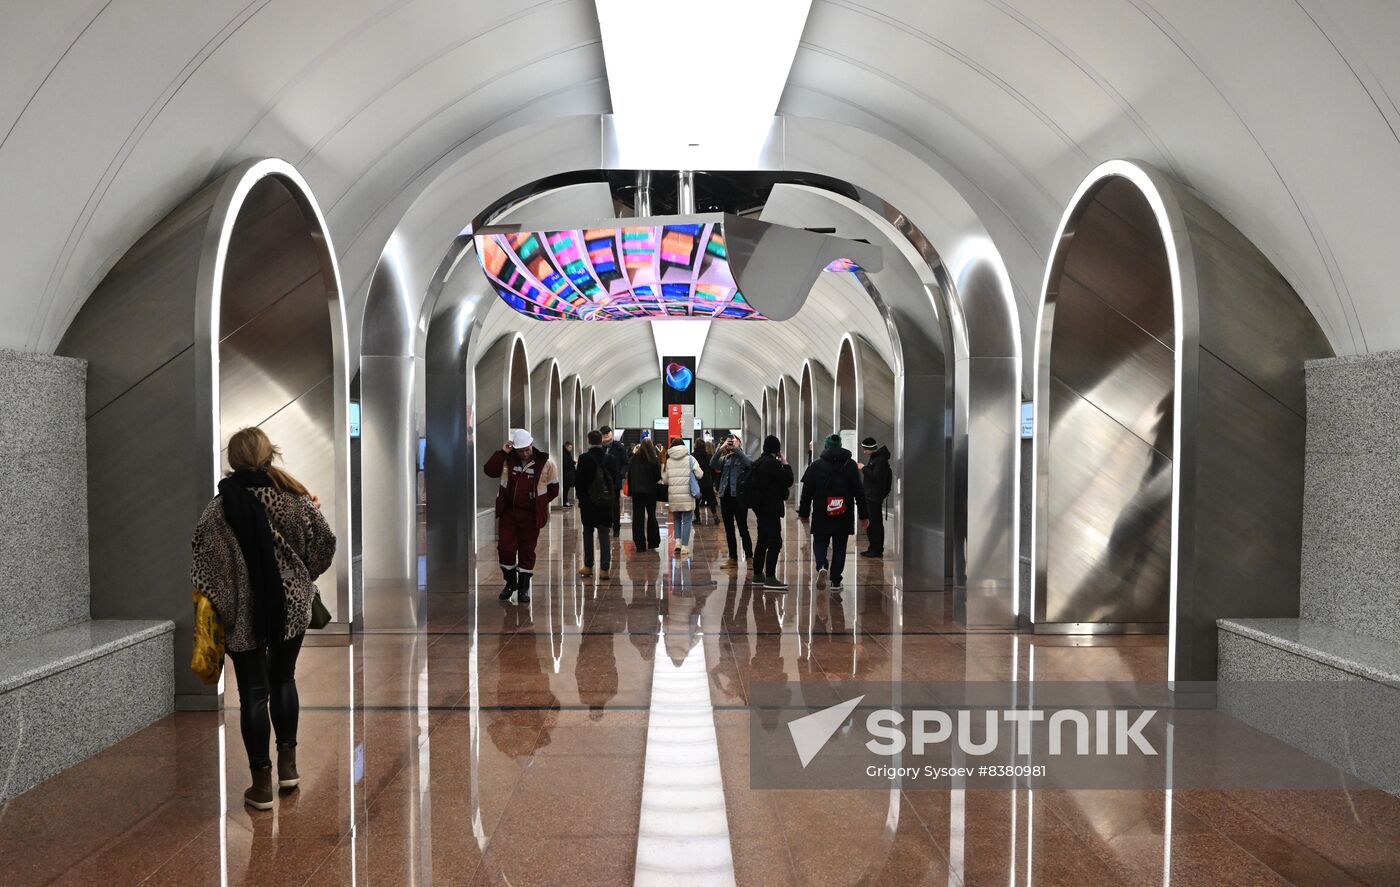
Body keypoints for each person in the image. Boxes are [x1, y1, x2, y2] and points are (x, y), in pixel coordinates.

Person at [191, 427, 337, 810]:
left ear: (233, 461)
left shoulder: (218, 510)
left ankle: (261, 786)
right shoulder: (295, 499)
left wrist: (229, 603)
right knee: (284, 678)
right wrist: (300, 576)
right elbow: (325, 543)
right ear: (270, 455)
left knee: (253, 693)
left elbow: (204, 566)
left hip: (243, 612)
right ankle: (289, 768)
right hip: (290, 606)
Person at [484, 428, 559, 604]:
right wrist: (502, 452)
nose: (524, 453)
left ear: (531, 444)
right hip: (509, 513)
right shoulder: (507, 460)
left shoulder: (546, 463)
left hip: (531, 516)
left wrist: (539, 503)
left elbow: (554, 489)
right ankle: (511, 583)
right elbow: (489, 470)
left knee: (527, 551)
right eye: (520, 451)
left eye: (527, 449)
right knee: (505, 548)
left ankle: (524, 588)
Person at [799, 433, 868, 592]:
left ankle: (822, 565)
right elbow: (859, 491)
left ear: (826, 446)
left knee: (819, 541)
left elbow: (806, 492)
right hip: (844, 513)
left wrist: (804, 513)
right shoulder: (850, 465)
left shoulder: (816, 465)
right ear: (840, 446)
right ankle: (836, 581)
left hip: (821, 512)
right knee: (840, 546)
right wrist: (864, 516)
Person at [748, 435, 794, 590]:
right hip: (771, 508)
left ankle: (757, 575)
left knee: (762, 540)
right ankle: (770, 577)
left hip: (760, 508)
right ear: (777, 449)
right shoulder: (773, 464)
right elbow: (788, 480)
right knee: (775, 541)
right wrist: (785, 463)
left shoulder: (758, 462)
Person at [575, 429, 618, 579]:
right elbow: (615, 479)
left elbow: (579, 482)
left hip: (588, 502)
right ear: (601, 440)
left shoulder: (584, 458)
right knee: (604, 533)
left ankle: (588, 566)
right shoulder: (610, 459)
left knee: (588, 532)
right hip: (605, 502)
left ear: (589, 441)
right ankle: (605, 569)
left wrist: (581, 499)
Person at [714, 433, 754, 567]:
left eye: (734, 440)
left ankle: (749, 557)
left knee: (743, 528)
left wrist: (737, 449)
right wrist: (721, 448)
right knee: (729, 529)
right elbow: (712, 464)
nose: (731, 442)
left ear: (739, 443)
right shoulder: (725, 458)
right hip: (725, 497)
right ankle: (732, 558)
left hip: (739, 498)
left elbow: (749, 464)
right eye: (729, 441)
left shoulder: (745, 456)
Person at [661, 437, 703, 556]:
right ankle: (684, 546)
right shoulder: (691, 459)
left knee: (677, 519)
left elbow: (665, 480)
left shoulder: (668, 461)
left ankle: (678, 543)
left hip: (674, 495)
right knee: (687, 520)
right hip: (688, 494)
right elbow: (700, 474)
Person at [859, 436, 893, 557]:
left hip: (874, 497)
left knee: (875, 524)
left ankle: (877, 550)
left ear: (870, 448)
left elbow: (875, 477)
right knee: (870, 523)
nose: (864, 452)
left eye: (865, 449)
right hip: (870, 495)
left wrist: (863, 468)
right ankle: (872, 547)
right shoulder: (875, 458)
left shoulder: (881, 460)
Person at [627, 437, 662, 551]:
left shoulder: (634, 459)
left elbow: (629, 475)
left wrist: (631, 490)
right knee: (651, 516)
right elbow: (657, 477)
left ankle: (640, 545)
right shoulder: (653, 459)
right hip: (651, 492)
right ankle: (653, 542)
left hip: (637, 492)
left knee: (638, 517)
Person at [600, 426, 629, 536]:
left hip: (614, 481)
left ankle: (616, 527)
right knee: (603, 504)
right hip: (602, 481)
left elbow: (625, 463)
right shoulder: (600, 448)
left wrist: (621, 474)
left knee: (615, 505)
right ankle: (605, 526)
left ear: (611, 434)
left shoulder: (619, 447)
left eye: (607, 433)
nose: (606, 436)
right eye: (604, 434)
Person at [560, 441, 577, 507]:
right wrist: (573, 463)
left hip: (567, 474)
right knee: (565, 489)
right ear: (566, 447)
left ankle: (565, 501)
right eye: (570, 447)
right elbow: (566, 463)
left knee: (566, 489)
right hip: (566, 475)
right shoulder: (564, 454)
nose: (571, 449)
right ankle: (564, 502)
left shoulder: (567, 453)